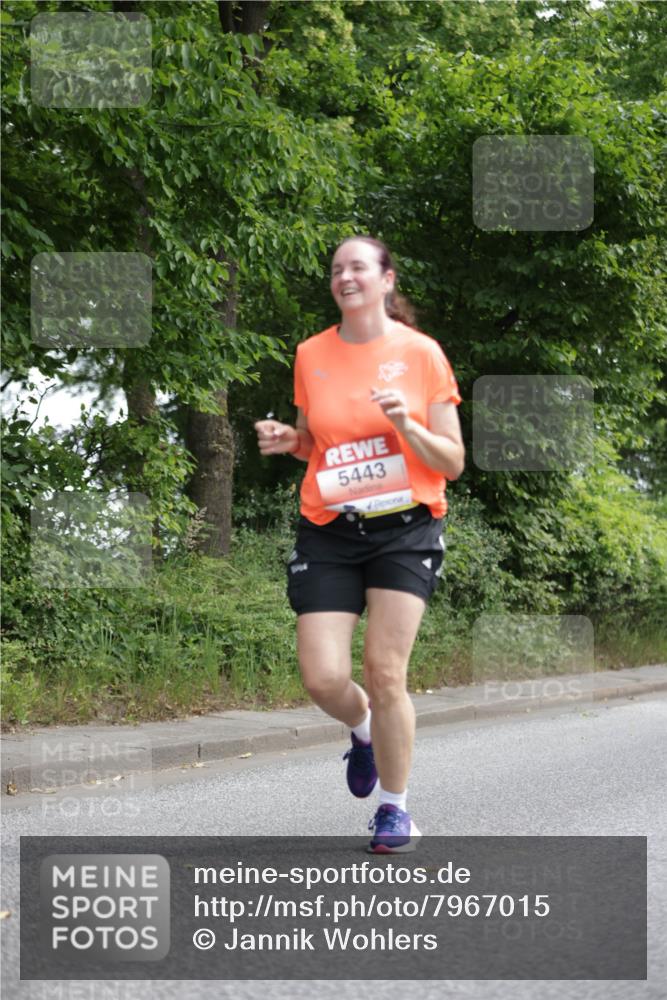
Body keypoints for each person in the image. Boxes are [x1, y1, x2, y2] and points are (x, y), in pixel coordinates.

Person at [254, 235, 464, 852]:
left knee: (385, 671)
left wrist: (406, 424)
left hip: (406, 528)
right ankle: (362, 729)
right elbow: (321, 444)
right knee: (323, 678)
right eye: (336, 268)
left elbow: (451, 460)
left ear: (387, 280)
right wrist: (288, 440)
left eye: (358, 267)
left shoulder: (421, 354)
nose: (345, 276)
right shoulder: (311, 353)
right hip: (330, 529)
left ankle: (395, 810)